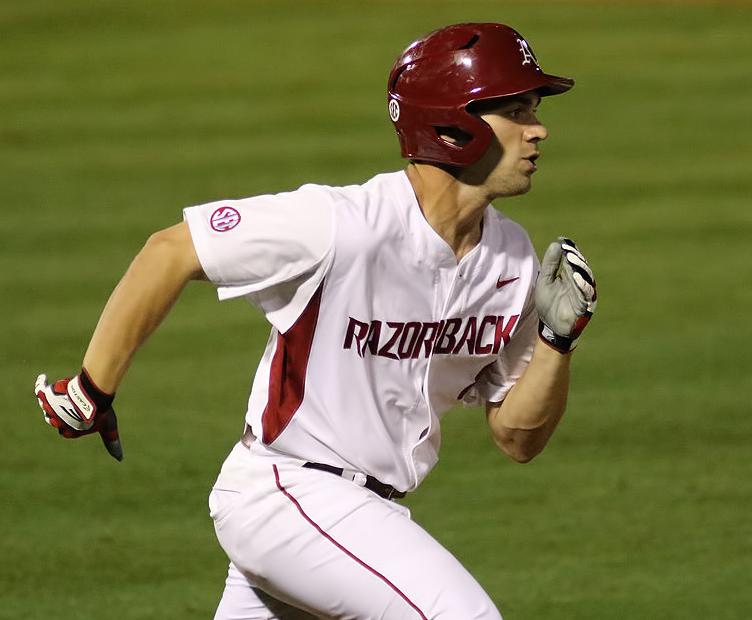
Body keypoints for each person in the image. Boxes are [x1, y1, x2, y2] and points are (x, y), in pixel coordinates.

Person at [34, 22, 597, 620]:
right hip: (286, 494)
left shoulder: (511, 261)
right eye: (517, 110)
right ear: (455, 123)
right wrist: (93, 385)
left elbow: (517, 437)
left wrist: (556, 342)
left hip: (352, 522)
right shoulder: (340, 225)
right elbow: (171, 251)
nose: (538, 129)